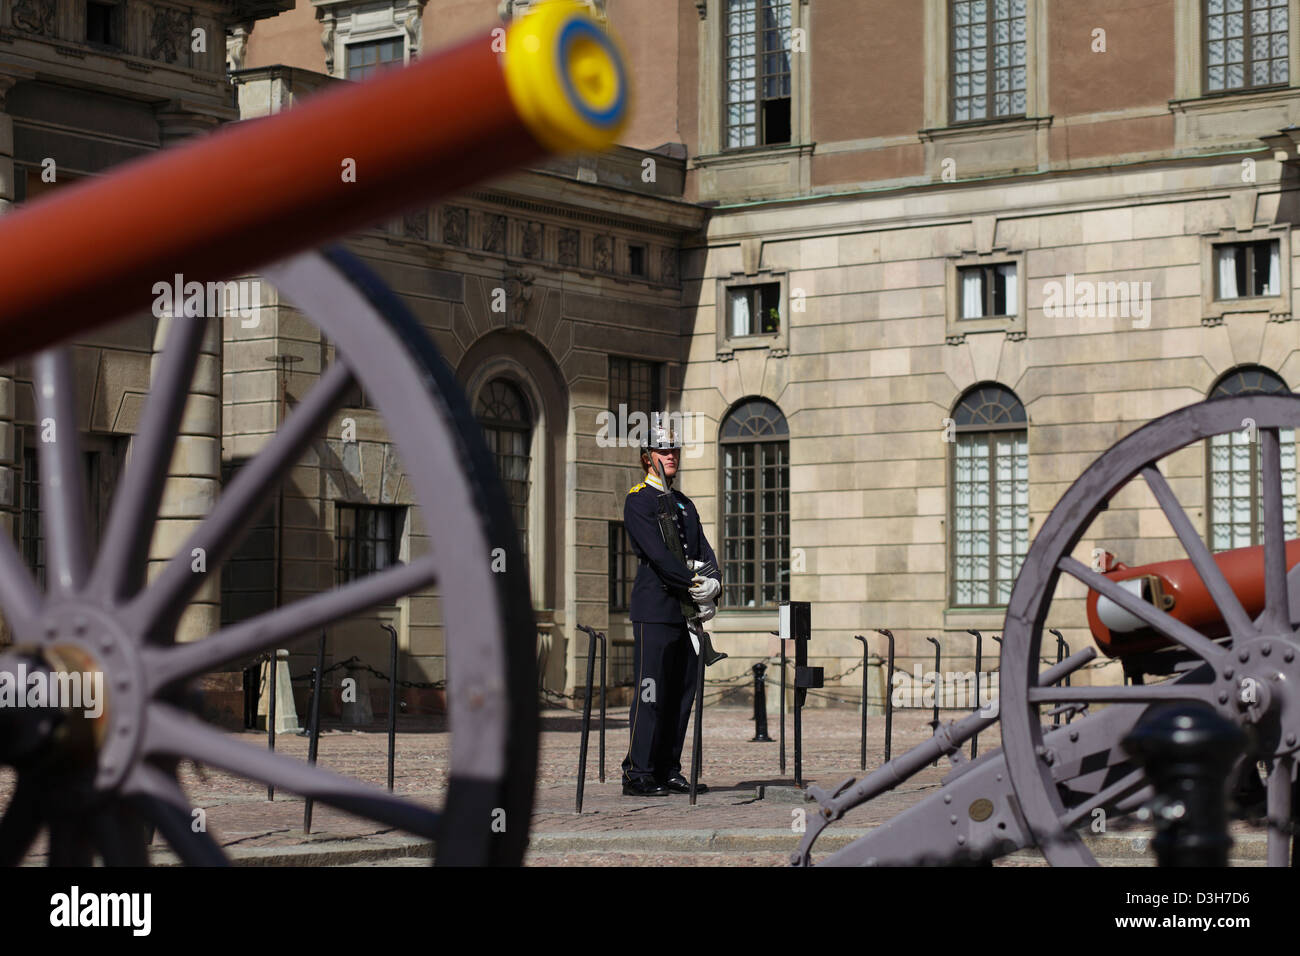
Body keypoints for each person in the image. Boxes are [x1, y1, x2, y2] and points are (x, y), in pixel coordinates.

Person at [620, 422, 723, 796]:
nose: (671, 456)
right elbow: (660, 557)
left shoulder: (685, 504)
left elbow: (704, 552)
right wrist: (695, 583)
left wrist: (715, 582)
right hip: (656, 610)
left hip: (686, 613)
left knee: (681, 693)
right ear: (647, 457)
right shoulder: (639, 500)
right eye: (663, 451)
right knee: (651, 693)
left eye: (674, 450)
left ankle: (668, 768)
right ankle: (638, 771)